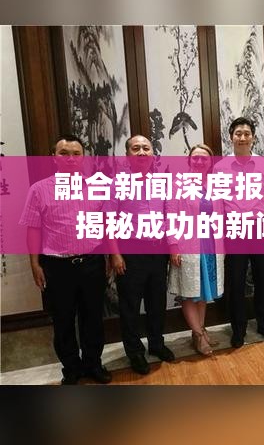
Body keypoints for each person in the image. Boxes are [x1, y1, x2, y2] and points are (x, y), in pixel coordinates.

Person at [19, 135, 111, 385]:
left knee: (93, 318)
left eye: (76, 153)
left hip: (92, 262)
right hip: (57, 266)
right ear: (53, 157)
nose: (71, 158)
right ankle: (71, 368)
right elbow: (33, 229)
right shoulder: (39, 190)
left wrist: (110, 255)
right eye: (64, 153)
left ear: (83, 157)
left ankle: (93, 364)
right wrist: (34, 263)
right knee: (63, 320)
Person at [109, 135, 175, 375]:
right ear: (127, 155)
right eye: (135, 148)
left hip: (158, 251)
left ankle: (157, 344)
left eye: (146, 148)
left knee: (157, 302)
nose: (141, 152)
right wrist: (115, 255)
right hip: (130, 252)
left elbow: (169, 215)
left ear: (152, 153)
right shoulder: (117, 183)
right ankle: (135, 352)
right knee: (130, 306)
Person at [215, 117, 264, 348]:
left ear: (253, 137)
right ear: (231, 137)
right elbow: (218, 204)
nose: (242, 138)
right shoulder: (221, 167)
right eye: (238, 134)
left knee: (263, 279)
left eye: (247, 134)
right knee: (236, 282)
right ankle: (238, 329)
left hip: (260, 227)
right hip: (234, 229)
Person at [167, 144, 224, 355]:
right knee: (189, 292)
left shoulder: (214, 185)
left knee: (202, 292)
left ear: (210, 162)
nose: (200, 161)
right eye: (196, 158)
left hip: (210, 244)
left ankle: (200, 329)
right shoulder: (178, 184)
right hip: (187, 244)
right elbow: (170, 216)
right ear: (189, 160)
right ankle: (199, 336)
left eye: (204, 158)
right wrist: (173, 246)